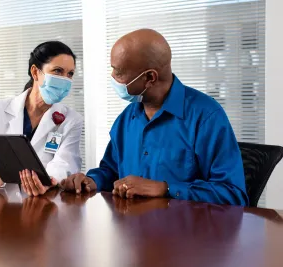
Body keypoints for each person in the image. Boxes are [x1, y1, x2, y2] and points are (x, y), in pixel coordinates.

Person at [61, 29, 249, 206]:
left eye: (118, 72)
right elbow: (111, 170)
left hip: (186, 236)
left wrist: (166, 188)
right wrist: (91, 181)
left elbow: (233, 194)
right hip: (132, 231)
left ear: (150, 77)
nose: (112, 77)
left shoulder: (206, 117)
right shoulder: (128, 117)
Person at [0, 41, 83, 196]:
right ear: (35, 72)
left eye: (70, 74)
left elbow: (65, 163)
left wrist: (47, 182)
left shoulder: (71, 120)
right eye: (57, 71)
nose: (65, 80)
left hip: (42, 203)